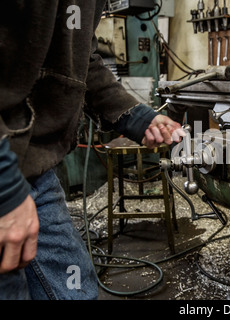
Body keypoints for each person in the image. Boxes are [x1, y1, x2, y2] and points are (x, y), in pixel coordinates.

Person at [0, 1, 185, 300]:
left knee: (76, 289)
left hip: (35, 169)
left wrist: (136, 117)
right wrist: (6, 190)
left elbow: (80, 60)